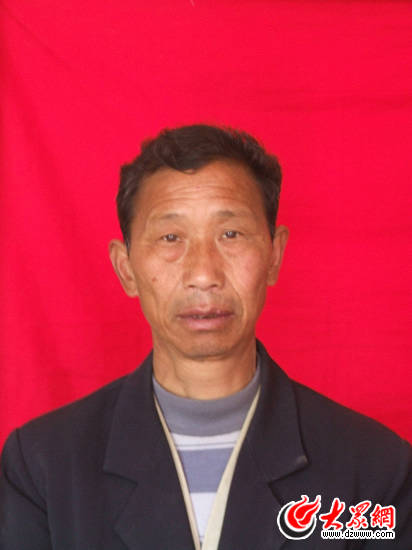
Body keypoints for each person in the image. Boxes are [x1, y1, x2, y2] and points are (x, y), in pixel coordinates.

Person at [0, 124, 410, 549]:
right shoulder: (41, 468)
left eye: (230, 234)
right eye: (170, 238)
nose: (203, 274)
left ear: (274, 255)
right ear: (126, 269)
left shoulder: (375, 470)